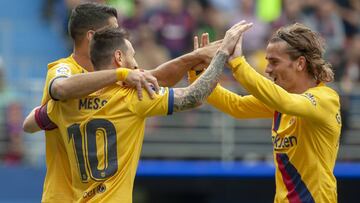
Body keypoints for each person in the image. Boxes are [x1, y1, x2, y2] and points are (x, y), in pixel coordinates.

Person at [23, 22, 253, 202]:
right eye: (132, 56)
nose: (136, 65)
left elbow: (30, 123)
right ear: (119, 58)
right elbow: (194, 96)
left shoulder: (63, 103)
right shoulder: (132, 97)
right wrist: (221, 55)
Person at [190, 22, 341, 202]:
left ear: (300, 63)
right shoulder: (281, 100)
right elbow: (236, 105)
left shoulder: (325, 99)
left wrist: (238, 64)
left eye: (274, 62)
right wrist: (200, 74)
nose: (268, 70)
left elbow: (286, 103)